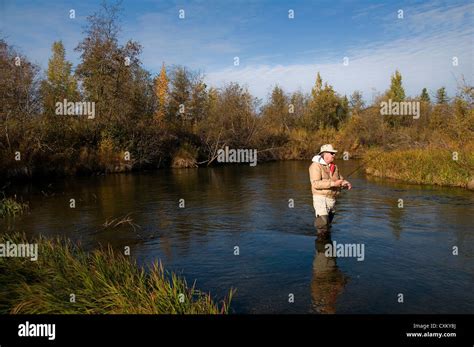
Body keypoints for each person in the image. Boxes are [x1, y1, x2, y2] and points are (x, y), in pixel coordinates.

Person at [309, 144, 352, 236]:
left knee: (328, 225)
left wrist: (345, 183)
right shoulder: (315, 166)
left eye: (334, 153)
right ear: (324, 154)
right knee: (323, 223)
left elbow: (340, 179)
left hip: (332, 199)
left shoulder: (334, 167)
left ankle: (327, 245)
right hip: (320, 197)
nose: (334, 155)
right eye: (332, 153)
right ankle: (321, 245)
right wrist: (333, 183)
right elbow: (315, 184)